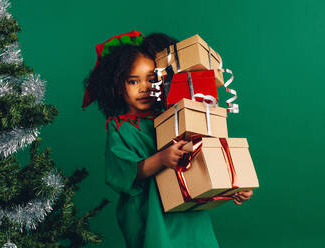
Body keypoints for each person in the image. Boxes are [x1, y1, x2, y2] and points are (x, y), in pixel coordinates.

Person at [82, 31, 253, 248]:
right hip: (151, 210)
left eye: (152, 80)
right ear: (116, 85)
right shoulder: (120, 128)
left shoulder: (173, 116)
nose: (144, 88)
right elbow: (124, 171)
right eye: (133, 81)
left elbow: (204, 155)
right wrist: (162, 158)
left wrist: (233, 187)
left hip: (187, 206)